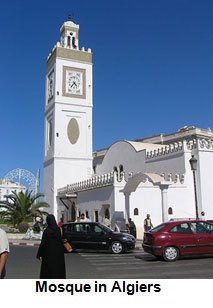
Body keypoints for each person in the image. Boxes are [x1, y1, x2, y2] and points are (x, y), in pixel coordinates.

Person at [36, 214, 66, 279]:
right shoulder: (59, 230)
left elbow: (43, 244)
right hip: (59, 255)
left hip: (48, 255)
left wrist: (39, 254)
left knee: (48, 272)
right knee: (59, 271)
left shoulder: (47, 231)